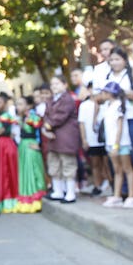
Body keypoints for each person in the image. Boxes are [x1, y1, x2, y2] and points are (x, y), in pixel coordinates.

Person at [104, 46, 133, 199]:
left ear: (125, 60)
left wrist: (122, 93)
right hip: (113, 121)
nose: (114, 63)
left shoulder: (131, 75)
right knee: (118, 155)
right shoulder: (107, 76)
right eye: (111, 60)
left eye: (117, 59)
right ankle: (123, 190)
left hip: (132, 118)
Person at [98, 81, 133, 207]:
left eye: (104, 92)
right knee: (117, 170)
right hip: (110, 143)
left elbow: (119, 128)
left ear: (110, 93)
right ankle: (117, 195)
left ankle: (132, 196)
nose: (102, 94)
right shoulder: (107, 106)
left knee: (127, 169)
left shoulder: (119, 105)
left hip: (121, 143)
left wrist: (116, 145)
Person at [44, 75, 81, 203]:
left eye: (57, 83)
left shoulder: (67, 99)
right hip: (53, 137)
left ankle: (70, 193)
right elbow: (46, 115)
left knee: (68, 164)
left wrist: (48, 126)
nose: (54, 86)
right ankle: (58, 191)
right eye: (52, 84)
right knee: (54, 163)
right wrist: (46, 127)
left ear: (65, 85)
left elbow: (59, 116)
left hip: (65, 136)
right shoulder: (50, 100)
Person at [15, 95, 46, 213]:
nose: (18, 107)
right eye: (17, 104)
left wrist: (39, 144)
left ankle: (36, 199)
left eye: (21, 104)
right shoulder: (21, 118)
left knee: (34, 170)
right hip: (23, 147)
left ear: (28, 106)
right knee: (25, 172)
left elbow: (41, 131)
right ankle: (26, 199)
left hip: (31, 146)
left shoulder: (33, 117)